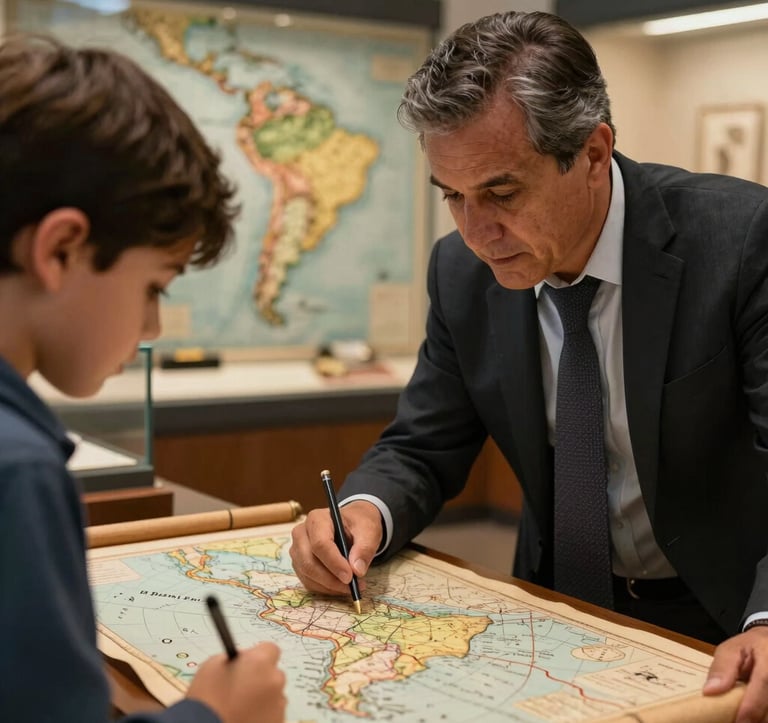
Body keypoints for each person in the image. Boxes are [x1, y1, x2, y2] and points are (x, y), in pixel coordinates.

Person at [290, 10, 768, 723]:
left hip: (726, 621)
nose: (477, 232)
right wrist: (364, 511)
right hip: (554, 613)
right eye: (452, 195)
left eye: (502, 193)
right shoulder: (461, 272)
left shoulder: (739, 243)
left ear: (594, 151)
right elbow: (424, 443)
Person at [0, 35, 286, 723]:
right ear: (61, 248)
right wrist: (215, 715)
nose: (152, 326)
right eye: (153, 285)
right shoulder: (19, 472)